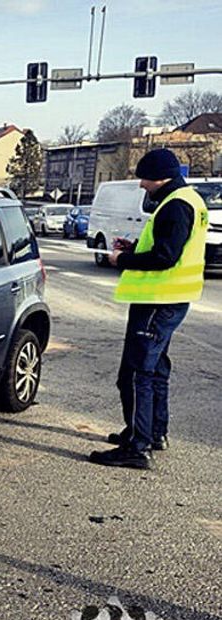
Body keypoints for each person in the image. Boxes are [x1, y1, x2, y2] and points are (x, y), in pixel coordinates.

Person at [89, 148, 208, 469]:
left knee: (137, 372)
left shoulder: (175, 206)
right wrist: (132, 249)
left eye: (144, 177)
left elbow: (165, 257)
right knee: (156, 369)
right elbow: (168, 249)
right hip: (170, 299)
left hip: (158, 300)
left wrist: (122, 260)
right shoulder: (189, 200)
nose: (142, 184)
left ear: (159, 176)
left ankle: (138, 446)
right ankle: (153, 433)